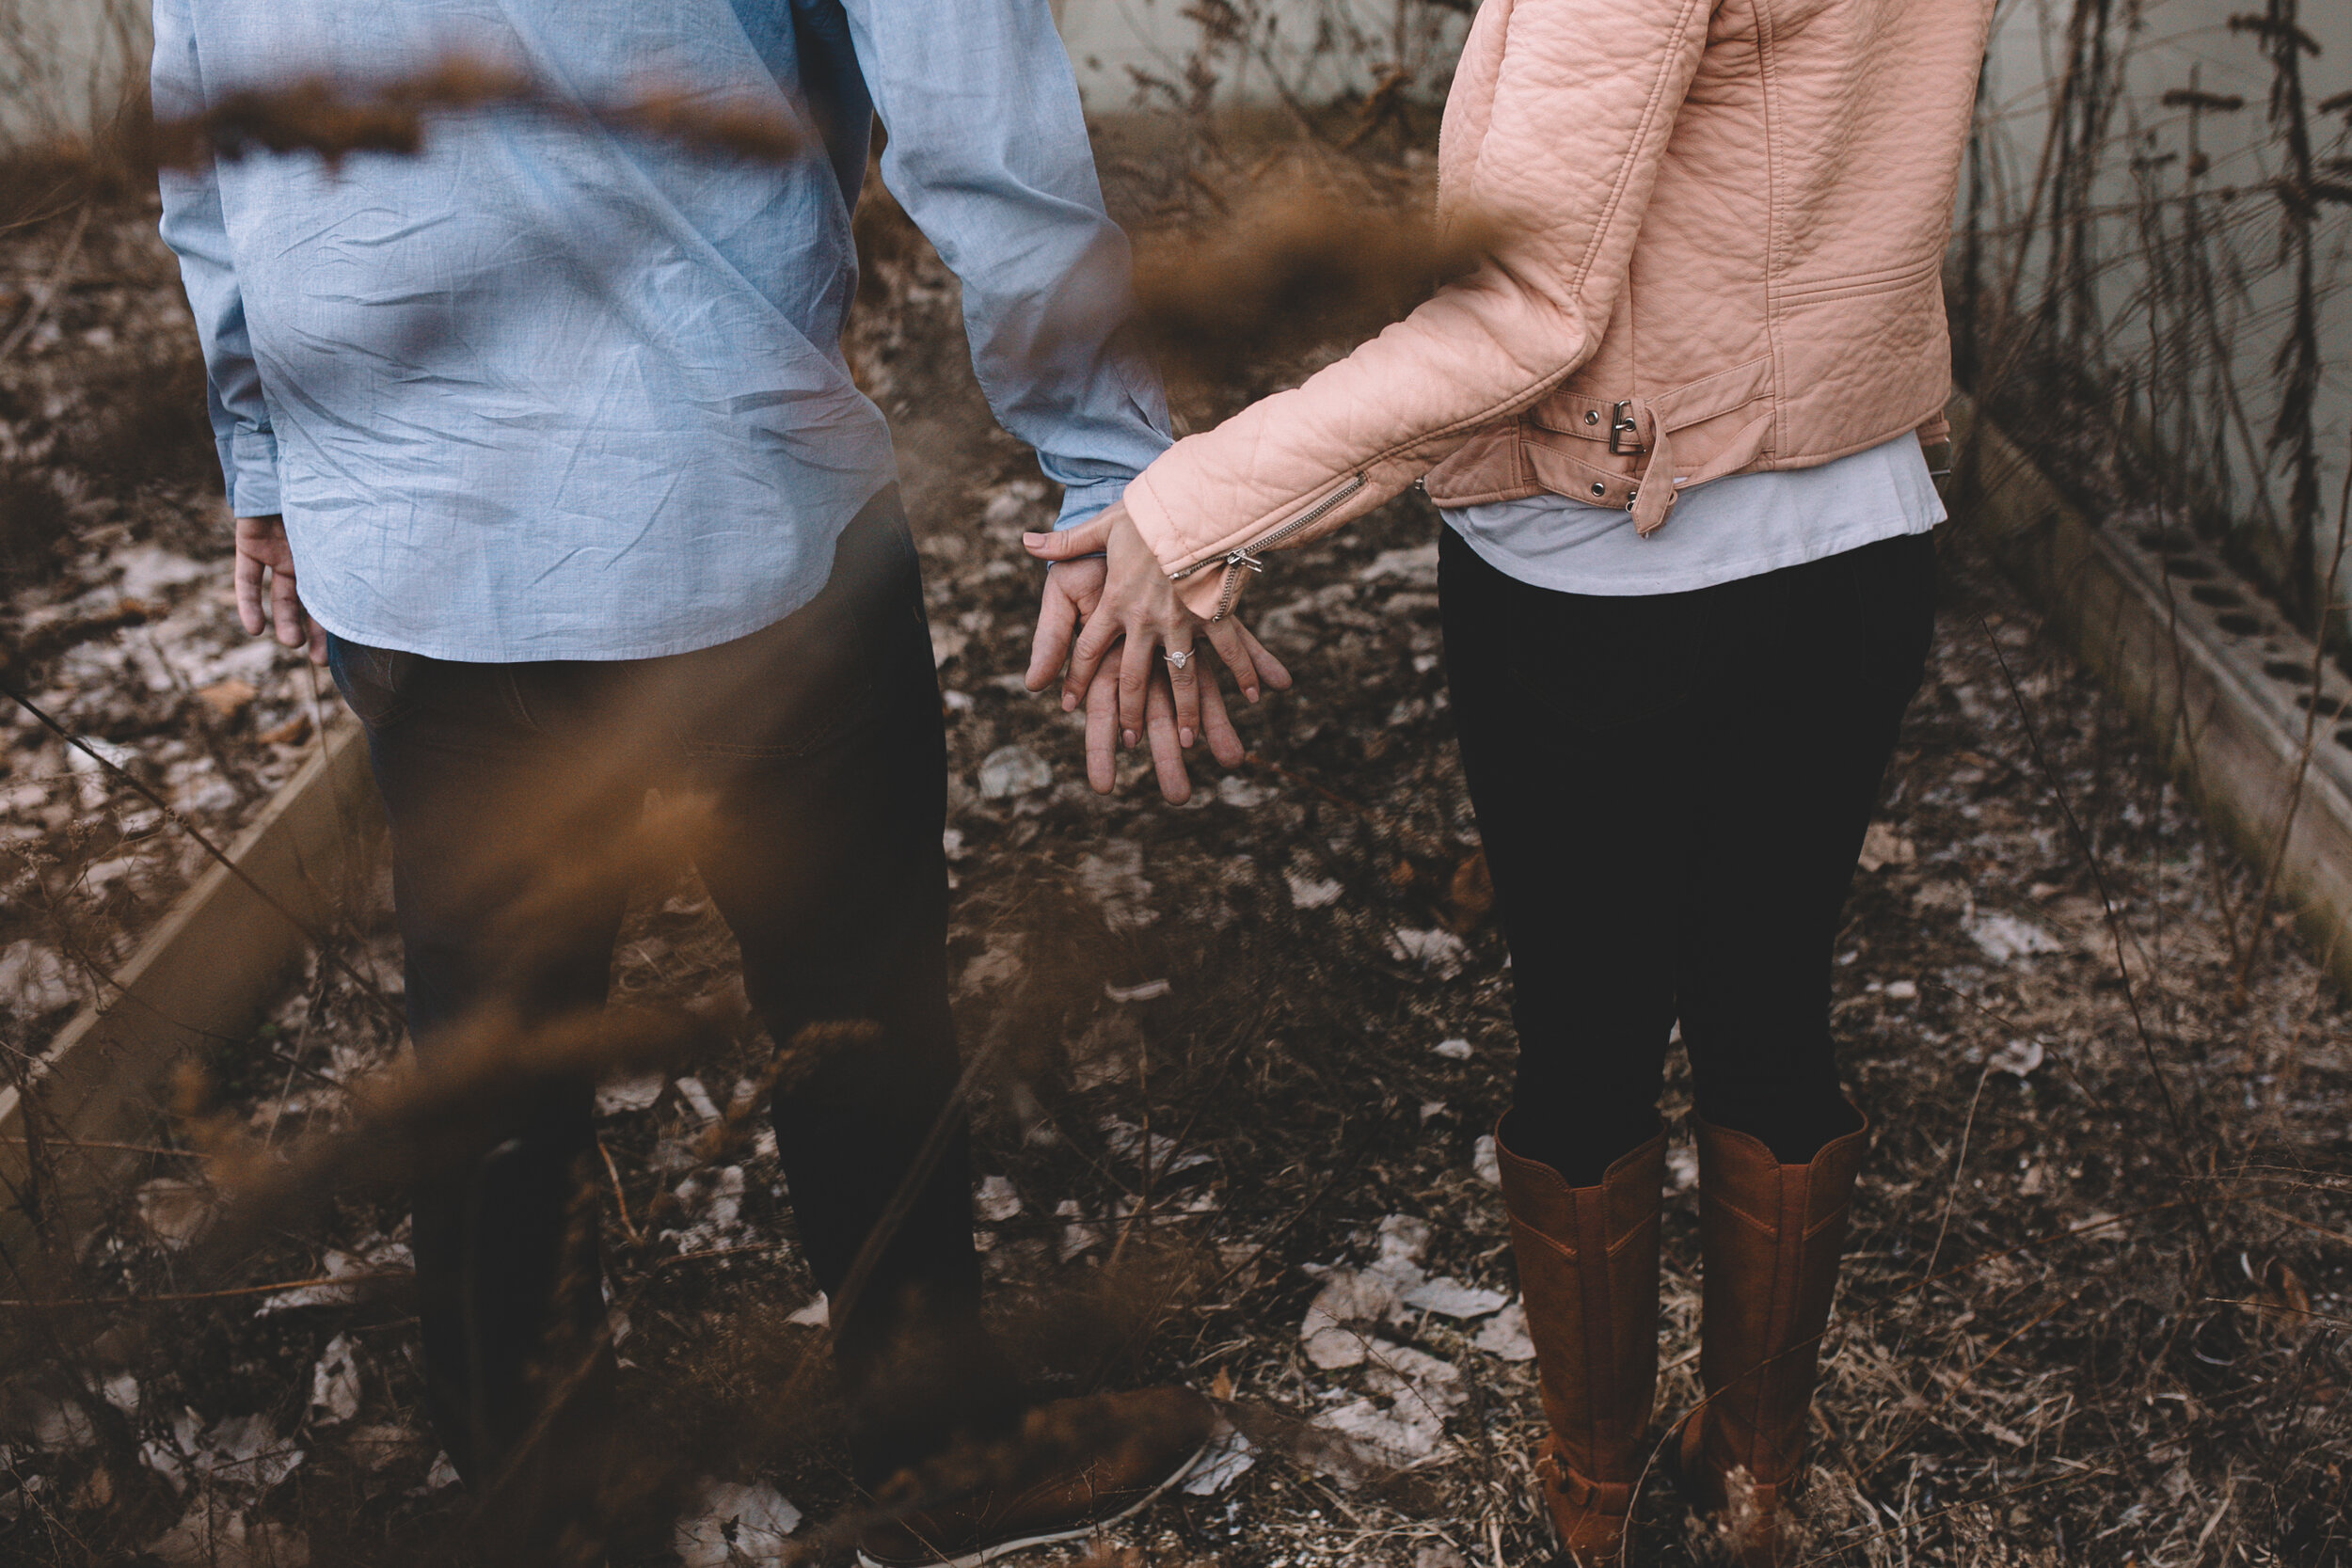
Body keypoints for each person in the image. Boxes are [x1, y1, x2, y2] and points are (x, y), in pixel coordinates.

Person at [154, 2, 1279, 1560]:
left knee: (488, 1043)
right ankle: (939, 1455)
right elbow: (974, 111)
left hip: (405, 530)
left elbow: (212, 133)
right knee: (859, 995)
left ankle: (536, 1505)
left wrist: (264, 448)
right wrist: (1109, 461)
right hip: (724, 487)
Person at [1025, 1, 1997, 1560]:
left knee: (1592, 1035)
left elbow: (1529, 313)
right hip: (1857, 526)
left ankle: (1600, 1509)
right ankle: (1756, 1485)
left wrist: (1192, 504)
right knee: (1770, 1013)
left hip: (1621, 562)